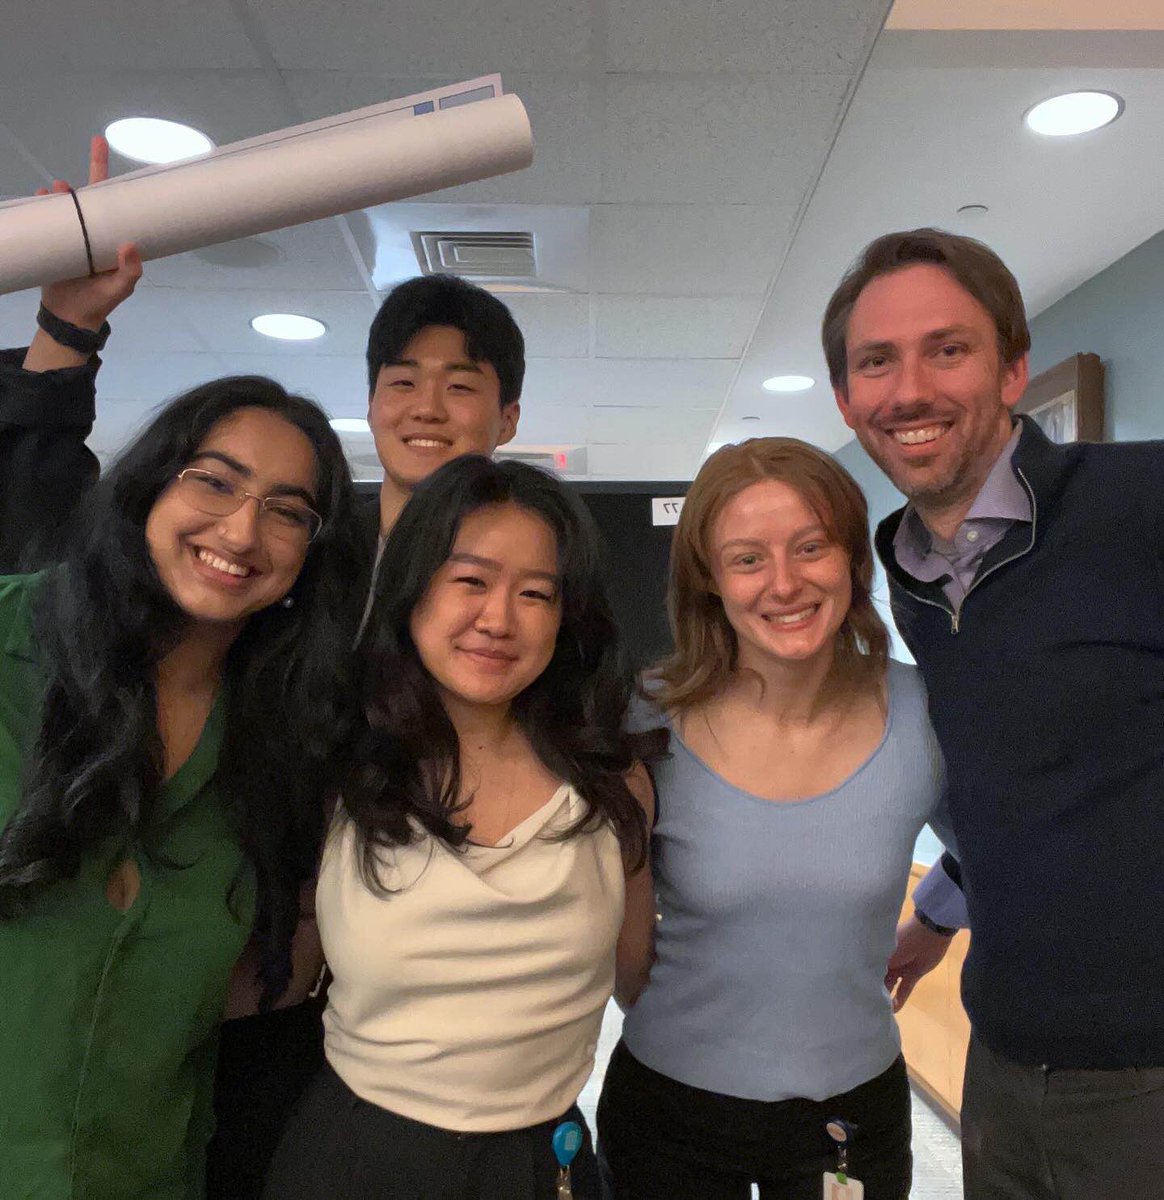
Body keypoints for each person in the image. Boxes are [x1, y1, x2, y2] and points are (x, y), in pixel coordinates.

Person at [0, 137, 532, 1196]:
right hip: (221, 1019)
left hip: (322, 1027)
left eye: (459, 385)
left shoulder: (519, 598)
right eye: (401, 381)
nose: (248, 533)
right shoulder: (310, 597)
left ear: (505, 414)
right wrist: (67, 331)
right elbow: (44, 529)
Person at [824, 227, 1164, 1198]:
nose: (912, 388)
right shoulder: (912, 571)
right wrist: (939, 909)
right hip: (1006, 1057)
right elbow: (1027, 766)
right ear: (850, 403)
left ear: (1012, 369)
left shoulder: (1140, 505)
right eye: (877, 362)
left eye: (949, 348)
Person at [0, 375, 363, 1199]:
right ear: (149, 487)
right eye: (215, 479)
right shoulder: (12, 645)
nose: (242, 529)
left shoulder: (284, 750)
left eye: (287, 509)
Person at [261, 455, 660, 1200]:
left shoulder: (613, 785)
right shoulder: (342, 765)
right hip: (359, 1154)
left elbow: (636, 974)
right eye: (469, 580)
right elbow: (288, 972)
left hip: (545, 1161)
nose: (498, 619)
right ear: (412, 591)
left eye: (536, 593)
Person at [596, 438, 951, 1199]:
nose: (784, 583)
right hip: (671, 1108)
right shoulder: (646, 718)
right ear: (710, 581)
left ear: (854, 558)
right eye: (748, 558)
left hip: (850, 1120)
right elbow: (628, 948)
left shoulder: (927, 714)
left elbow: (1016, 837)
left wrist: (939, 918)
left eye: (810, 547)